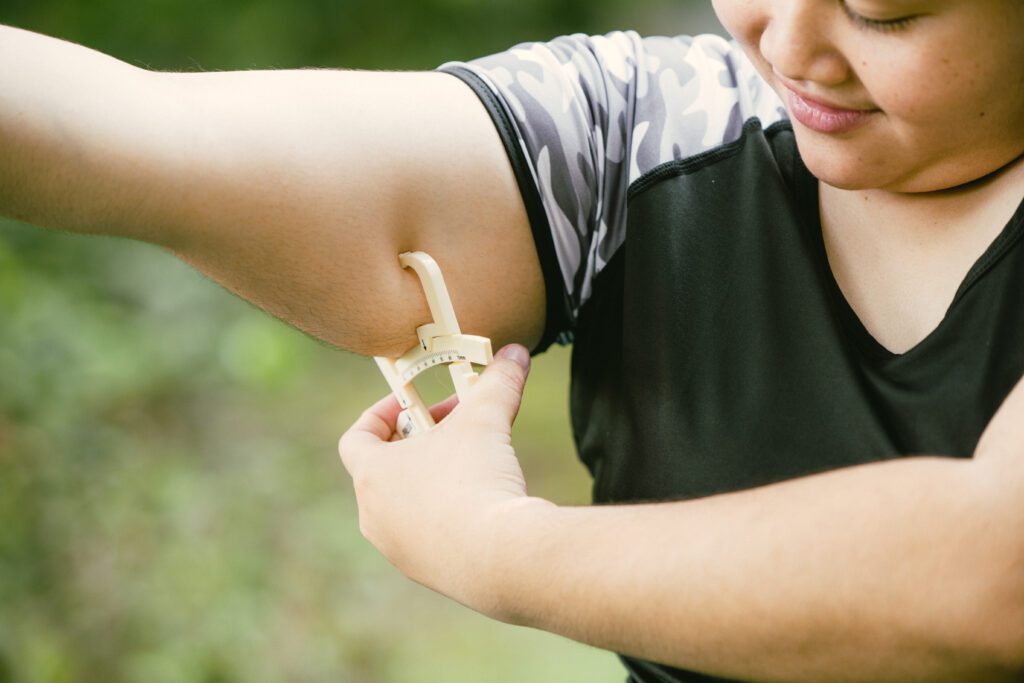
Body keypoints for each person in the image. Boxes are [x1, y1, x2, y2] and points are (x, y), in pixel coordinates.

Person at [2, 1, 1023, 680]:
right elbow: (156, 138)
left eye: (883, 11)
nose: (788, 47)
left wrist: (496, 545)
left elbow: (993, 571)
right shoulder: (655, 126)